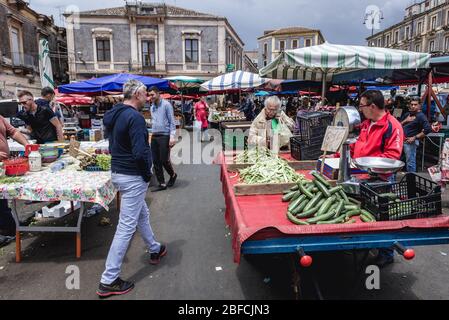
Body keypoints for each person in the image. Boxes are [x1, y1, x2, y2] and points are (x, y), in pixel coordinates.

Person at [98, 80, 166, 298]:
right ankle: (108, 279)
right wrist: (147, 174)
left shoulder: (115, 114)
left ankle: (154, 248)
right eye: (145, 93)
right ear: (137, 94)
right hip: (132, 175)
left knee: (141, 214)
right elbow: (139, 152)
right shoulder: (134, 117)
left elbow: (112, 145)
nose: (148, 96)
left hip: (119, 172)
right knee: (126, 227)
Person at [328, 90, 404, 267]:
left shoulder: (392, 126)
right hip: (360, 174)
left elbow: (392, 156)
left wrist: (368, 166)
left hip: (381, 178)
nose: (360, 109)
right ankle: (367, 244)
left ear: (372, 106)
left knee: (381, 215)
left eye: (362, 106)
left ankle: (386, 253)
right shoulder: (366, 124)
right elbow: (356, 145)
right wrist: (339, 155)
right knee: (364, 212)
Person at [0, 116, 28, 239]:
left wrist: (27, 144)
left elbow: (13, 131)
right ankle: (7, 227)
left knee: (2, 196)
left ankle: (9, 226)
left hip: (2, 164)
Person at [149, 86, 177, 191]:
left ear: (158, 93)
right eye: (149, 95)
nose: (150, 97)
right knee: (155, 161)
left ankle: (173, 175)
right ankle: (162, 183)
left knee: (164, 159)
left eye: (152, 94)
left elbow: (172, 122)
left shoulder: (166, 105)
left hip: (165, 135)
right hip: (154, 135)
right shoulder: (152, 107)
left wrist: (172, 136)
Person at [400, 98, 432, 173]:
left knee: (410, 163)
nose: (413, 106)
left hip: (410, 142)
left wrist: (415, 137)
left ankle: (411, 182)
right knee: (397, 161)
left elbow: (428, 129)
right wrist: (405, 121)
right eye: (412, 104)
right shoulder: (407, 114)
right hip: (401, 141)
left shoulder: (421, 116)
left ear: (419, 106)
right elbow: (397, 126)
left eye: (415, 104)